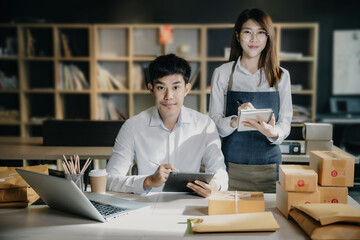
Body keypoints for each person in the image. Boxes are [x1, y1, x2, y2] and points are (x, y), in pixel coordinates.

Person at [106, 54, 228, 197]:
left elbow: (221, 175)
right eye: (161, 88)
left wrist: (213, 186)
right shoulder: (132, 126)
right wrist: (148, 181)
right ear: (151, 89)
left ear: (187, 89)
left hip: (190, 205)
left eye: (176, 87)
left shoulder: (204, 125)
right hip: (146, 208)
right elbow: (109, 179)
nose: (168, 96)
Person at [209, 8, 293, 193]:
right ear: (238, 35)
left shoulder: (281, 76)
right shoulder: (222, 74)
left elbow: (286, 121)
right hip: (230, 166)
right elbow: (214, 123)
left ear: (268, 37)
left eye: (261, 32)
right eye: (248, 32)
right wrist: (235, 120)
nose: (254, 39)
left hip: (270, 167)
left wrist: (273, 132)